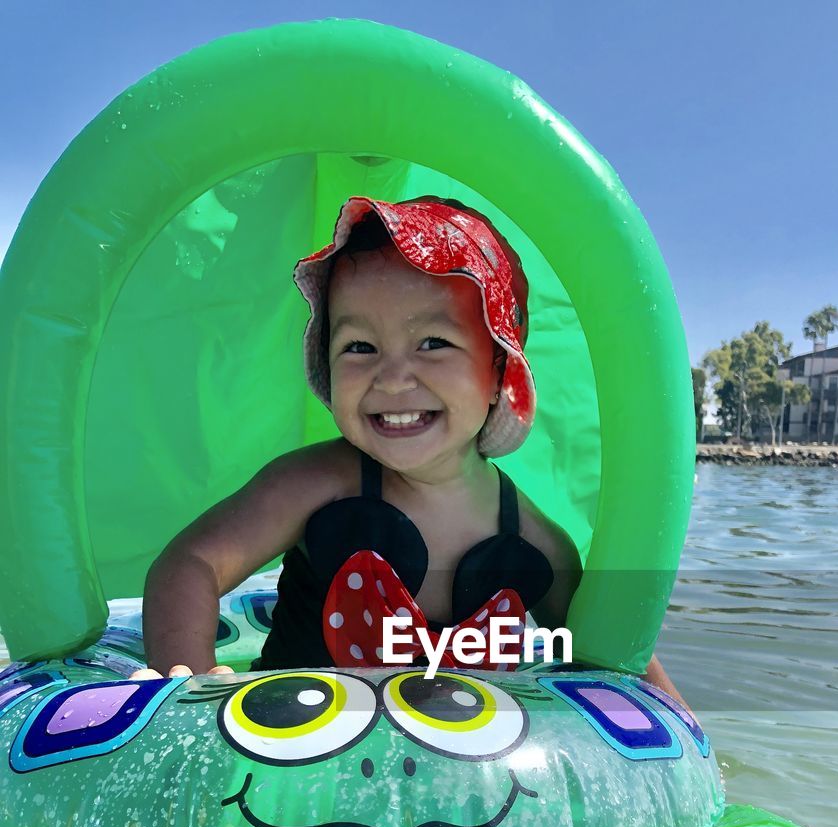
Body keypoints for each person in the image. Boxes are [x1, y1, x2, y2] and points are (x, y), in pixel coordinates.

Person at [132, 195, 682, 700]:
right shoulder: (314, 485)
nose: (393, 378)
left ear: (498, 373)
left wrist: (691, 742)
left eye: (433, 343)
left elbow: (618, 656)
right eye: (360, 346)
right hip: (292, 767)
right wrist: (187, 677)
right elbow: (192, 564)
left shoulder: (535, 545)